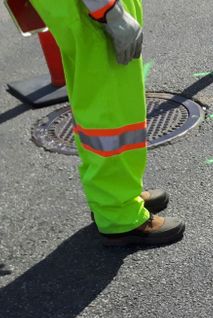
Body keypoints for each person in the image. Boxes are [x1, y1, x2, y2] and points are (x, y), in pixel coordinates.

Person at [27, 0, 184, 246]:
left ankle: (114, 195)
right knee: (112, 112)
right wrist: (109, 10)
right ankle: (119, 213)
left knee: (99, 103)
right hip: (92, 10)